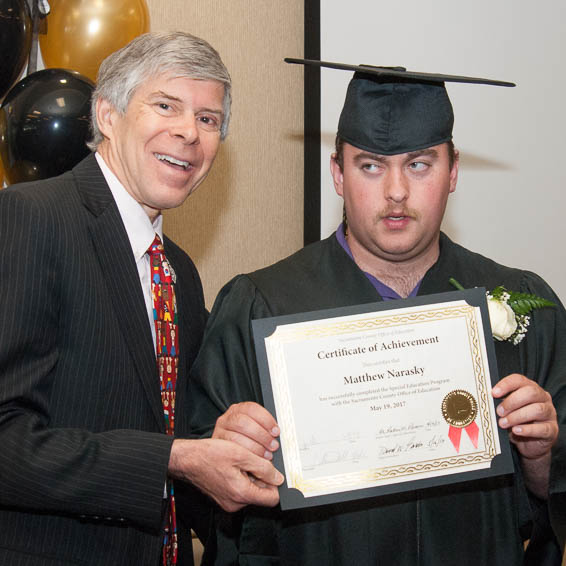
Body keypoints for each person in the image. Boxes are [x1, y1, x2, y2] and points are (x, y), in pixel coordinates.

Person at [188, 61, 566, 565]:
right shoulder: (261, 308)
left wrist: (543, 460)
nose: (395, 192)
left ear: (453, 171)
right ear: (338, 174)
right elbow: (206, 508)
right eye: (370, 165)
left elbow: (547, 509)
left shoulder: (522, 303)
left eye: (419, 164)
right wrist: (229, 460)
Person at [0, 32, 283, 566]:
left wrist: (216, 440)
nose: (188, 133)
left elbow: (170, 435)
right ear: (107, 114)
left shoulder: (177, 271)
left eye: (208, 119)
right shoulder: (29, 219)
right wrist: (174, 457)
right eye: (165, 105)